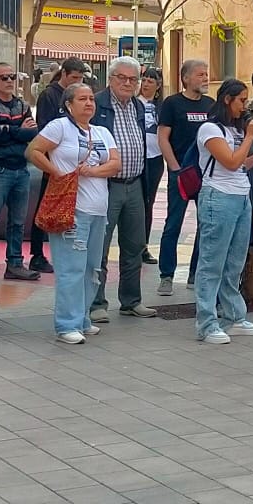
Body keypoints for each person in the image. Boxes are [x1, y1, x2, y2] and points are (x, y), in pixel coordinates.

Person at [28, 83, 120, 345]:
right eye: (82, 99)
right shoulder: (60, 127)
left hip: (98, 210)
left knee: (93, 268)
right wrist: (57, 173)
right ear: (69, 104)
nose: (89, 103)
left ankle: (82, 318)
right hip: (72, 209)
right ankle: (66, 324)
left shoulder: (102, 131)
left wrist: (92, 172)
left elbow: (115, 164)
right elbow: (33, 150)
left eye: (91, 98)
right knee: (72, 269)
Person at [193, 78, 253, 343]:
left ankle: (234, 316)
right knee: (212, 261)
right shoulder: (210, 129)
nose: (244, 105)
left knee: (235, 262)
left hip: (241, 196)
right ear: (227, 99)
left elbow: (241, 165)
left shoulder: (236, 130)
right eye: (241, 100)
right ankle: (206, 322)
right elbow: (229, 162)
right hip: (218, 196)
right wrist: (250, 136)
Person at [88, 57, 156, 323]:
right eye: (122, 78)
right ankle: (96, 303)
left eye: (133, 79)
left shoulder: (139, 106)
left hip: (135, 184)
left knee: (134, 246)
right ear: (111, 78)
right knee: (100, 247)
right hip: (105, 186)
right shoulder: (97, 104)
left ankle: (131, 301)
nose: (128, 83)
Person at [0, 62, 40, 281]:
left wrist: (9, 131)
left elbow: (33, 133)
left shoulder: (22, 105)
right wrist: (19, 132)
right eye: (3, 77)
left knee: (18, 221)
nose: (9, 81)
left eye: (12, 76)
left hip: (21, 169)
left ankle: (15, 264)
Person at [29, 57, 87, 274]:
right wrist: (49, 165)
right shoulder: (50, 95)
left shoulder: (77, 96)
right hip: (54, 163)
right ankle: (36, 253)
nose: (76, 82)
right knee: (46, 207)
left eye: (80, 79)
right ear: (63, 74)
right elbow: (44, 131)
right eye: (73, 78)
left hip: (74, 164)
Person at [157, 59, 211, 292]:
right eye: (200, 75)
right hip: (181, 173)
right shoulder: (172, 104)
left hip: (206, 174)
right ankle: (166, 275)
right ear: (186, 78)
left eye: (207, 74)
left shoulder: (211, 105)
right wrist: (175, 168)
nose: (205, 78)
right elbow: (162, 138)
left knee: (205, 224)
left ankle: (194, 274)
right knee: (173, 224)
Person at [139, 67, 164, 267]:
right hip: (136, 158)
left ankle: (143, 246)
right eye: (144, 79)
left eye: (150, 81)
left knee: (148, 203)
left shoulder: (162, 107)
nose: (146, 84)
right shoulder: (132, 103)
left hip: (155, 158)